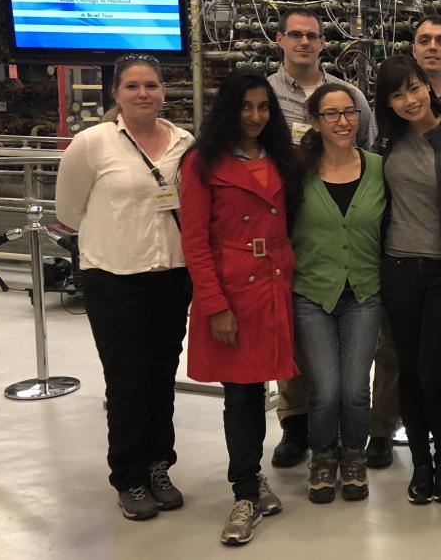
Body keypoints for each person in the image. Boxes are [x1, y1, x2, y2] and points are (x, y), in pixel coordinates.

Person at [55, 54, 194, 521]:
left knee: (161, 376)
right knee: (128, 380)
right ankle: (129, 476)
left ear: (163, 91)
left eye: (151, 85)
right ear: (116, 93)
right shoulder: (92, 144)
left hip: (172, 277)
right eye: (132, 86)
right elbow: (68, 214)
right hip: (114, 279)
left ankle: (159, 466)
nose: (143, 94)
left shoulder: (183, 142)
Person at [179, 69, 300, 544]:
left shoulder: (280, 156)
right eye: (246, 107)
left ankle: (253, 478)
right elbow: (195, 240)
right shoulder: (201, 162)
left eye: (263, 107)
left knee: (263, 387)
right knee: (241, 394)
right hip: (232, 291)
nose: (255, 116)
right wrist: (215, 305)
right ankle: (245, 490)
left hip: (274, 286)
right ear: (229, 108)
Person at [267, 7, 376, 469]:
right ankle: (298, 430)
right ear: (280, 39)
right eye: (296, 35)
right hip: (294, 239)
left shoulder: (350, 95)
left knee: (348, 384)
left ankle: (347, 448)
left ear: (323, 43)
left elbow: (366, 148)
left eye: (312, 35)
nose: (304, 43)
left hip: (352, 256)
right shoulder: (266, 95)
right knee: (301, 361)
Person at [367, 15, 441, 470]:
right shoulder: (386, 143)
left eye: (413, 89)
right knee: (406, 368)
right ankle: (421, 463)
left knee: (437, 369)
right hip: (398, 270)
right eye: (396, 95)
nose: (408, 100)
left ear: (426, 87)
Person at [291, 83, 386, 504]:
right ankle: (323, 456)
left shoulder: (380, 168)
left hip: (365, 293)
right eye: (332, 114)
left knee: (354, 389)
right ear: (315, 121)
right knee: (325, 390)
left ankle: (353, 458)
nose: (343, 122)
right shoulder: (296, 171)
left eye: (350, 112)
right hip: (312, 293)